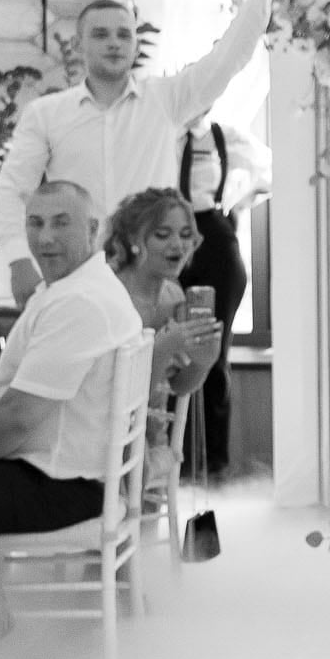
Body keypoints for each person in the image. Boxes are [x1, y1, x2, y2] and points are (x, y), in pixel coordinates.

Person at [0, 0, 278, 309]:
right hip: (75, 277)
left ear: (134, 45)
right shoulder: (47, 113)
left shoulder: (165, 100)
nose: (114, 42)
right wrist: (17, 260)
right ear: (79, 46)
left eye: (124, 34)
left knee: (154, 367)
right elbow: (13, 188)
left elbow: (229, 58)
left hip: (149, 279)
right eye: (101, 34)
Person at [0, 181, 144, 641]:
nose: (45, 237)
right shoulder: (75, 288)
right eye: (35, 223)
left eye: (61, 222)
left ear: (93, 229)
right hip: (61, 473)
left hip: (62, 486)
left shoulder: (79, 301)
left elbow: (18, 419)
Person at [177, 112, 271, 479]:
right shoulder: (158, 130)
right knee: (172, 354)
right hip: (171, 236)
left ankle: (215, 463)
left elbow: (269, 172)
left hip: (215, 239)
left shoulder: (224, 134)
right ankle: (176, 460)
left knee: (214, 357)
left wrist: (236, 202)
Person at [104, 188, 221, 475]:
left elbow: (180, 386)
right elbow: (120, 395)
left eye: (185, 235)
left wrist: (204, 361)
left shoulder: (173, 296)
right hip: (107, 429)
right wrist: (163, 347)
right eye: (162, 234)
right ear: (133, 240)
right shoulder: (111, 295)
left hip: (151, 432)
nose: (178, 245)